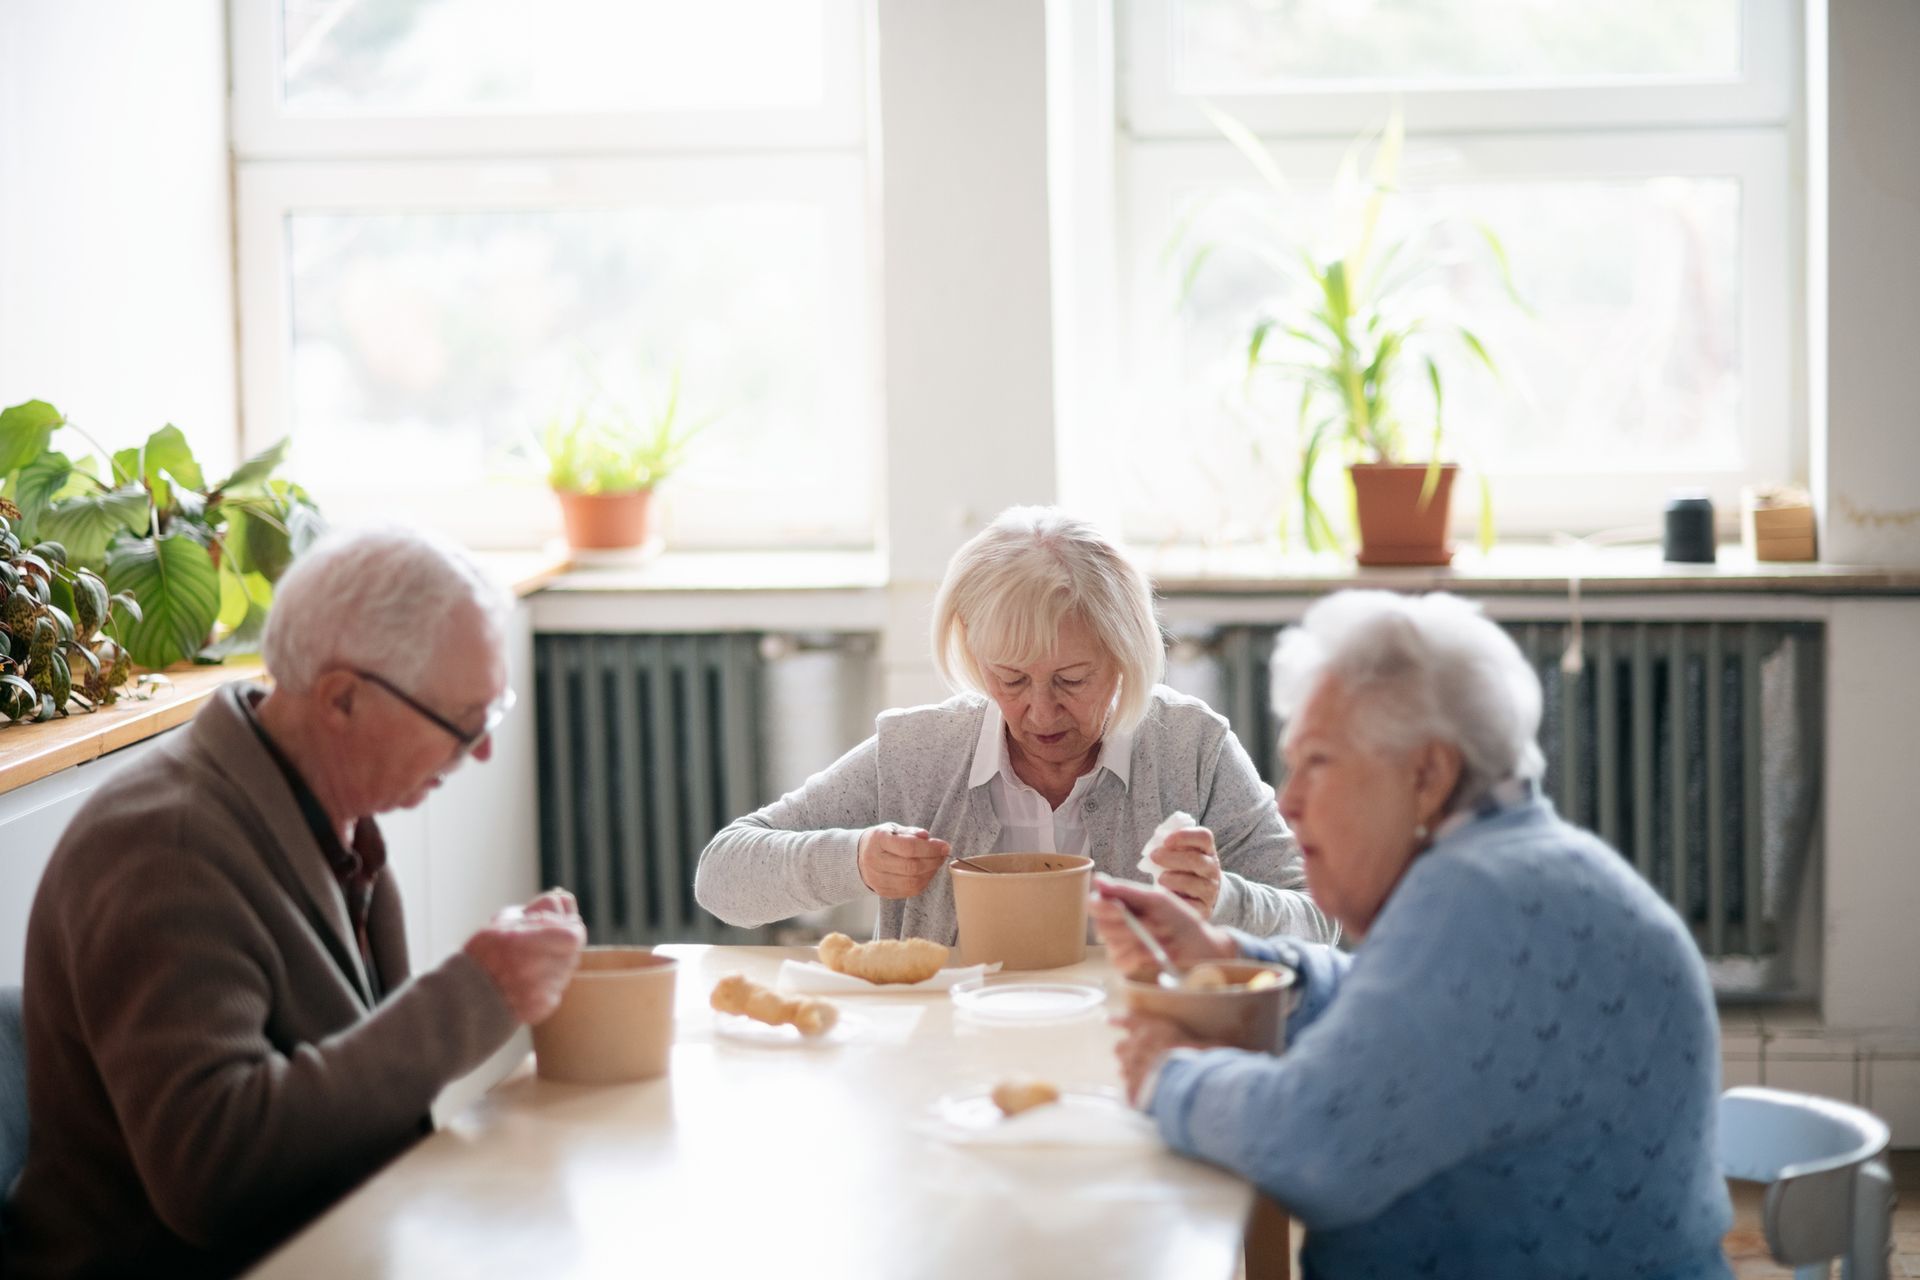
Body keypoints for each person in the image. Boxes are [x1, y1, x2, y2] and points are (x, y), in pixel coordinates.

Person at [1095, 589, 1734, 1279]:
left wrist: (1167, 1073)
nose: (1290, 800)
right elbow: (1409, 1006)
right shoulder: (1518, 866)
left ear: (1427, 775)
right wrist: (1231, 957)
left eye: (1317, 763)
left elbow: (1314, 1143)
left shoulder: (1476, 898)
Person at [4, 526, 587, 1279]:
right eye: (462, 723)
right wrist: (472, 997)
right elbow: (213, 1174)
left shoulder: (325, 811)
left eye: (491, 714)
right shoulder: (167, 851)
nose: (481, 751)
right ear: (342, 698)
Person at [696, 506, 1333, 943]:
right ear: (974, 657)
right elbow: (721, 877)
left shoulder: (1191, 747)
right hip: (950, 1058)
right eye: (1010, 679)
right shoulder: (918, 753)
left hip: (1135, 1044)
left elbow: (1319, 921)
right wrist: (855, 860)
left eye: (1072, 680)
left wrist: (1224, 902)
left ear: (1125, 656)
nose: (1041, 711)